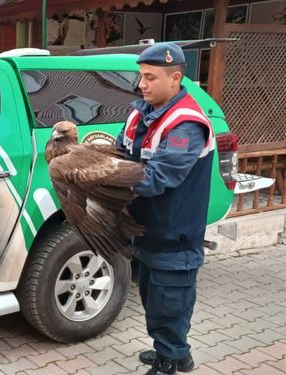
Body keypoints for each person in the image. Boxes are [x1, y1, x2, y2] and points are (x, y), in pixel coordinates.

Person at [115, 43, 215, 375]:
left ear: (175, 78)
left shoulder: (186, 123)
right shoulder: (139, 112)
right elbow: (120, 152)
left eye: (150, 77)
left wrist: (102, 179)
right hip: (147, 230)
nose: (142, 84)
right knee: (153, 298)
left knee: (169, 303)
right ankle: (174, 350)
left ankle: (170, 360)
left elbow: (159, 178)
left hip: (175, 234)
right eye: (140, 76)